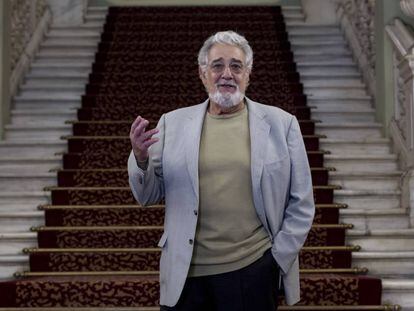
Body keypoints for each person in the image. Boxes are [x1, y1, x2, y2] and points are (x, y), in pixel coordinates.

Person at [128, 31, 315, 311]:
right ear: (203, 73)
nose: (227, 73)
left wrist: (276, 260)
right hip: (185, 275)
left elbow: (302, 202)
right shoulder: (173, 123)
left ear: (248, 74)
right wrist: (140, 158)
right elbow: (147, 195)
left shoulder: (282, 124)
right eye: (217, 65)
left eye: (236, 66)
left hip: (252, 270)